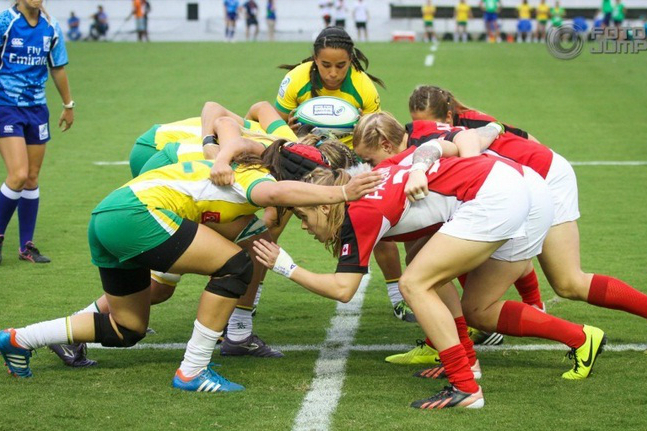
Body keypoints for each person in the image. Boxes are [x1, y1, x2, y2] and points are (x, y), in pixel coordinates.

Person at [253, 131, 607, 409]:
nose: (302, 225)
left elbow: (344, 290)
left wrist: (285, 266)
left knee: (415, 284)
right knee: (451, 290)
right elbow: (440, 146)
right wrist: (423, 165)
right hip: (517, 183)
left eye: (303, 214)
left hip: (500, 194)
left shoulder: (358, 213)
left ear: (326, 205)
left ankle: (465, 387)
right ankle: (471, 363)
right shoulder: (374, 181)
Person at [0, 141, 382, 389]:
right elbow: (275, 193)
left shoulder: (247, 184)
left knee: (127, 327)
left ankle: (19, 339)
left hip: (110, 215)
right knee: (236, 266)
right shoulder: (259, 179)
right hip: (137, 214)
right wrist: (343, 191)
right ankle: (193, 370)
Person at [407, 86, 648, 321]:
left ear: (448, 115)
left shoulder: (471, 124)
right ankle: (530, 306)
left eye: (428, 122)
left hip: (545, 178)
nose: (424, 129)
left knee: (568, 283)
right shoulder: (437, 133)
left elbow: (524, 138)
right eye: (418, 123)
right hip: (521, 185)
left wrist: (537, 170)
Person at [275, 26, 413, 322]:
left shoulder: (363, 87)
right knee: (273, 222)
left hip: (350, 162)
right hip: (306, 156)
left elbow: (371, 133)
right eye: (326, 65)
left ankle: (398, 297)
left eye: (341, 66)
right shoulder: (296, 80)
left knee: (380, 229)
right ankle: (243, 316)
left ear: (351, 61)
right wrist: (291, 127)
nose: (333, 73)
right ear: (314, 59)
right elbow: (274, 124)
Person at [0, 0, 74, 265]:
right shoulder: (5, 23)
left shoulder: (51, 27)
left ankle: (26, 246)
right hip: (6, 107)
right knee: (17, 174)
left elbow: (57, 68)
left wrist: (68, 105)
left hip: (36, 110)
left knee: (31, 177)